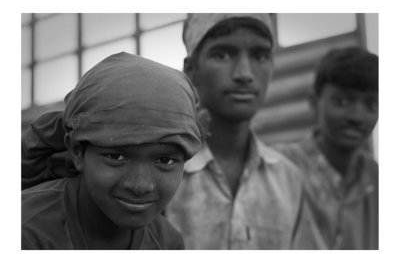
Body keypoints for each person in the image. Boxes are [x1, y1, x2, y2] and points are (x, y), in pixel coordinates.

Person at [163, 13, 322, 249]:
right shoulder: (162, 171)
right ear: (191, 69)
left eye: (260, 55)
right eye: (223, 54)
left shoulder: (287, 177)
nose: (244, 74)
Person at [21, 52, 202, 249]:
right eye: (116, 156)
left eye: (165, 160)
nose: (140, 185)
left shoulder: (166, 243)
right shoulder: (26, 232)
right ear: (77, 152)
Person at [274, 47, 379, 249]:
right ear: (314, 103)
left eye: (371, 104)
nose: (356, 116)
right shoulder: (280, 168)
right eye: (342, 101)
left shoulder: (377, 179)